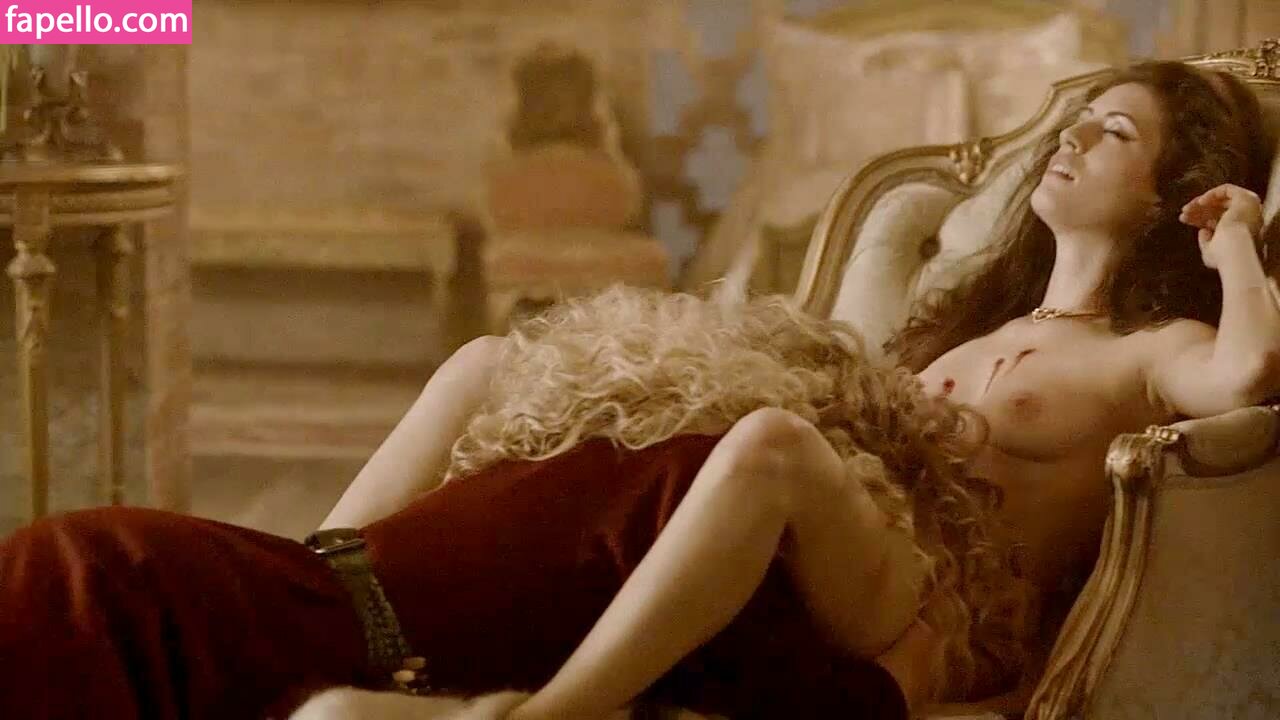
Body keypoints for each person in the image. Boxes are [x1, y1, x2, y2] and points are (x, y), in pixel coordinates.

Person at [2, 61, 1278, 720]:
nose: (1071, 137)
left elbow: (1246, 375)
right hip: (847, 543)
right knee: (484, 362)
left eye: (1113, 132)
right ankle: (331, 589)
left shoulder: (1152, 346)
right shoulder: (972, 320)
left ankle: (546, 718)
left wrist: (1233, 240)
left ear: (1167, 192)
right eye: (1077, 117)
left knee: (771, 442)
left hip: (938, 608)